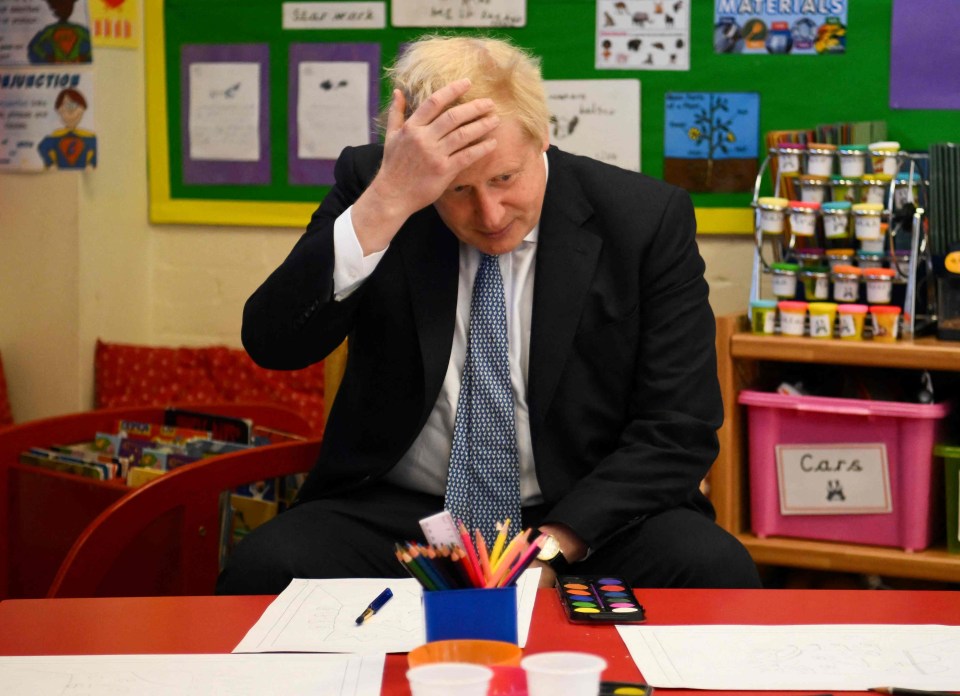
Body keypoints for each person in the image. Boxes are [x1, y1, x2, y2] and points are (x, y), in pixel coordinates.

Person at [216, 34, 760, 595]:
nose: (490, 213)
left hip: (581, 514)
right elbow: (273, 343)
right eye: (457, 190)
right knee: (262, 569)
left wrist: (550, 546)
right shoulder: (384, 189)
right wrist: (388, 201)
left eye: (504, 178)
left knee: (715, 570)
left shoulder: (644, 220)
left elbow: (678, 430)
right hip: (408, 514)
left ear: (542, 135)